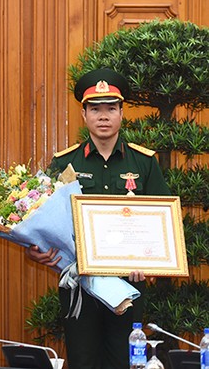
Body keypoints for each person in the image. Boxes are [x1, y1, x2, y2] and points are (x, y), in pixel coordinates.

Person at [26, 68, 170, 369]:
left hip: (128, 286)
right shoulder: (64, 163)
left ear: (121, 113)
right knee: (83, 361)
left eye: (110, 108)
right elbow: (43, 221)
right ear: (84, 114)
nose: (103, 116)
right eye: (95, 109)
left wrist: (149, 263)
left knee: (125, 361)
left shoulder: (144, 163)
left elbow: (162, 225)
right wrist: (38, 248)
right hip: (80, 285)